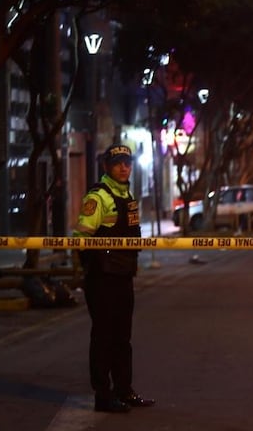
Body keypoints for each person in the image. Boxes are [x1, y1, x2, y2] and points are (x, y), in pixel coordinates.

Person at [73, 144, 156, 413]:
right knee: (103, 338)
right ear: (107, 166)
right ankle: (103, 396)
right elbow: (81, 238)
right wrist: (90, 268)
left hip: (123, 276)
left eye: (127, 162)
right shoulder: (99, 197)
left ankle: (124, 390)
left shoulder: (128, 195)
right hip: (103, 278)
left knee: (123, 338)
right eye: (118, 162)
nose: (124, 167)